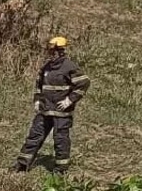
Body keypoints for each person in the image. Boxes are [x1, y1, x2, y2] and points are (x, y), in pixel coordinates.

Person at [13, 37, 90, 174]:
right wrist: (37, 100)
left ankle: (60, 169)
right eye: (50, 51)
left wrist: (69, 100)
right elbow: (39, 85)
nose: (50, 54)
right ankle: (22, 165)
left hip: (62, 113)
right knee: (34, 136)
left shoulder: (69, 67)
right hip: (45, 110)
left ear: (60, 51)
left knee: (60, 140)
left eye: (53, 51)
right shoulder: (46, 67)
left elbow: (84, 83)